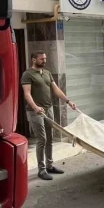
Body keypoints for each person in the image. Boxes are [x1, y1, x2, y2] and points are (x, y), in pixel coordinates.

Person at [21, 51, 76, 181]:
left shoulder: (47, 73)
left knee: (50, 138)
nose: (44, 61)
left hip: (48, 109)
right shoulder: (27, 74)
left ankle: (50, 165)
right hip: (35, 111)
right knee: (42, 139)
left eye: (45, 58)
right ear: (34, 60)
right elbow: (27, 94)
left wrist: (68, 101)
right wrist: (35, 108)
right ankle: (41, 170)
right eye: (41, 59)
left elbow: (56, 89)